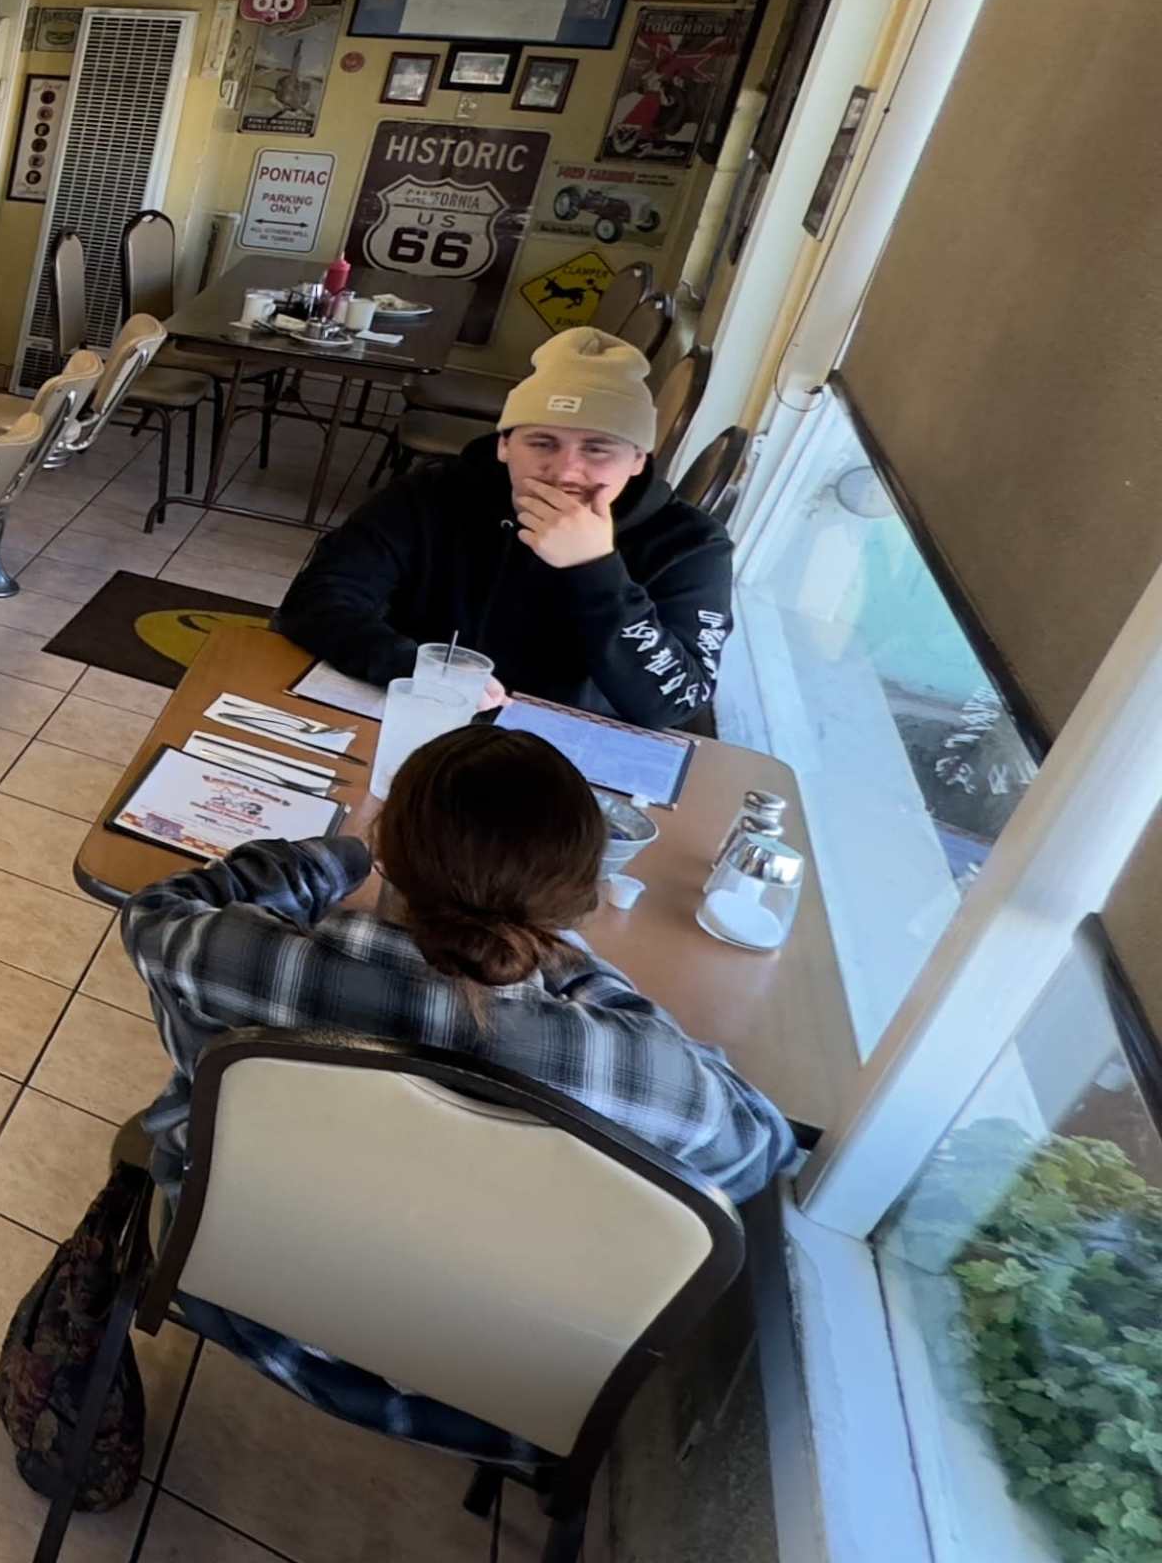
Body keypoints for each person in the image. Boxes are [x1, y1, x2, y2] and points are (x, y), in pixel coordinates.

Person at [120, 725, 795, 1458]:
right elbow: (762, 1148)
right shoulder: (638, 1072)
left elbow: (154, 913)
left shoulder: (254, 965)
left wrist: (333, 859)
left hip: (228, 1287)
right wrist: (576, 970)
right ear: (576, 902)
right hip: (498, 1389)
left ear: (389, 846)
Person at [276, 327, 727, 731]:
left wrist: (595, 570)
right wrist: (412, 665)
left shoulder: (690, 544)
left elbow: (675, 701)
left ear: (637, 460)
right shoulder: (435, 492)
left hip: (561, 756)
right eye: (542, 443)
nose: (567, 471)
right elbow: (315, 601)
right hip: (421, 720)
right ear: (505, 445)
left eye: (597, 449)